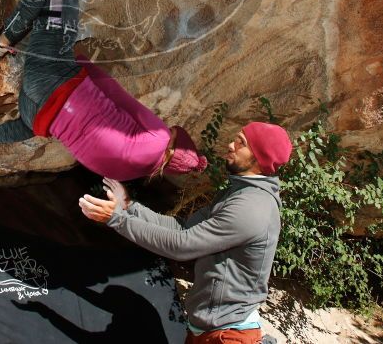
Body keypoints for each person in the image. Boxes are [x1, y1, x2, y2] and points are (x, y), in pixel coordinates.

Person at [0, 0, 207, 181]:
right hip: (37, 115)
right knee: (28, 125)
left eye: (174, 131)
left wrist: (83, 62)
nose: (169, 127)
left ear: (173, 146)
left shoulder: (160, 139)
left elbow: (117, 95)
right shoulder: (124, 174)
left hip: (54, 76)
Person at [79, 122, 292, 344]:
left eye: (241, 143)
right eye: (236, 138)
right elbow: (183, 228)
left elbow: (182, 245)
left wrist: (117, 220)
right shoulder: (237, 193)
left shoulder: (251, 207)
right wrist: (130, 206)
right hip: (206, 328)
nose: (231, 145)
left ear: (259, 159)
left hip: (228, 335)